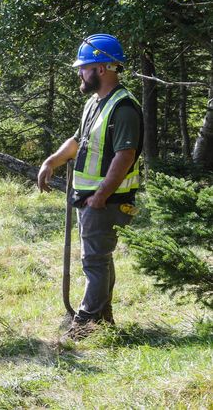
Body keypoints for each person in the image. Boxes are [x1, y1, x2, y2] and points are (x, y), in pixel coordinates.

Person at [37, 34, 143, 339]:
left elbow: (125, 156)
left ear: (104, 68)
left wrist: (101, 195)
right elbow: (77, 141)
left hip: (108, 201)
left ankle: (84, 325)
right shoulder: (95, 103)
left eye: (85, 67)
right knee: (100, 259)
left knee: (94, 261)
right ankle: (103, 322)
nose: (81, 73)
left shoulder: (123, 108)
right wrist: (51, 162)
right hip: (92, 198)